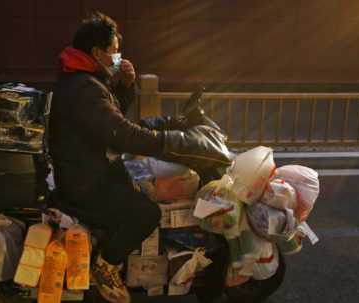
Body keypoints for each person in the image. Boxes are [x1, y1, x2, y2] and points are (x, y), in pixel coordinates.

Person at [47, 12, 233, 303]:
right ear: (97, 53)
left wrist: (125, 84)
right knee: (146, 212)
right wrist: (171, 143)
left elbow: (107, 118)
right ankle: (105, 266)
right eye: (114, 51)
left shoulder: (84, 80)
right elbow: (121, 132)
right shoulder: (83, 88)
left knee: (142, 187)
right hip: (87, 184)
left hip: (91, 170)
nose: (118, 56)